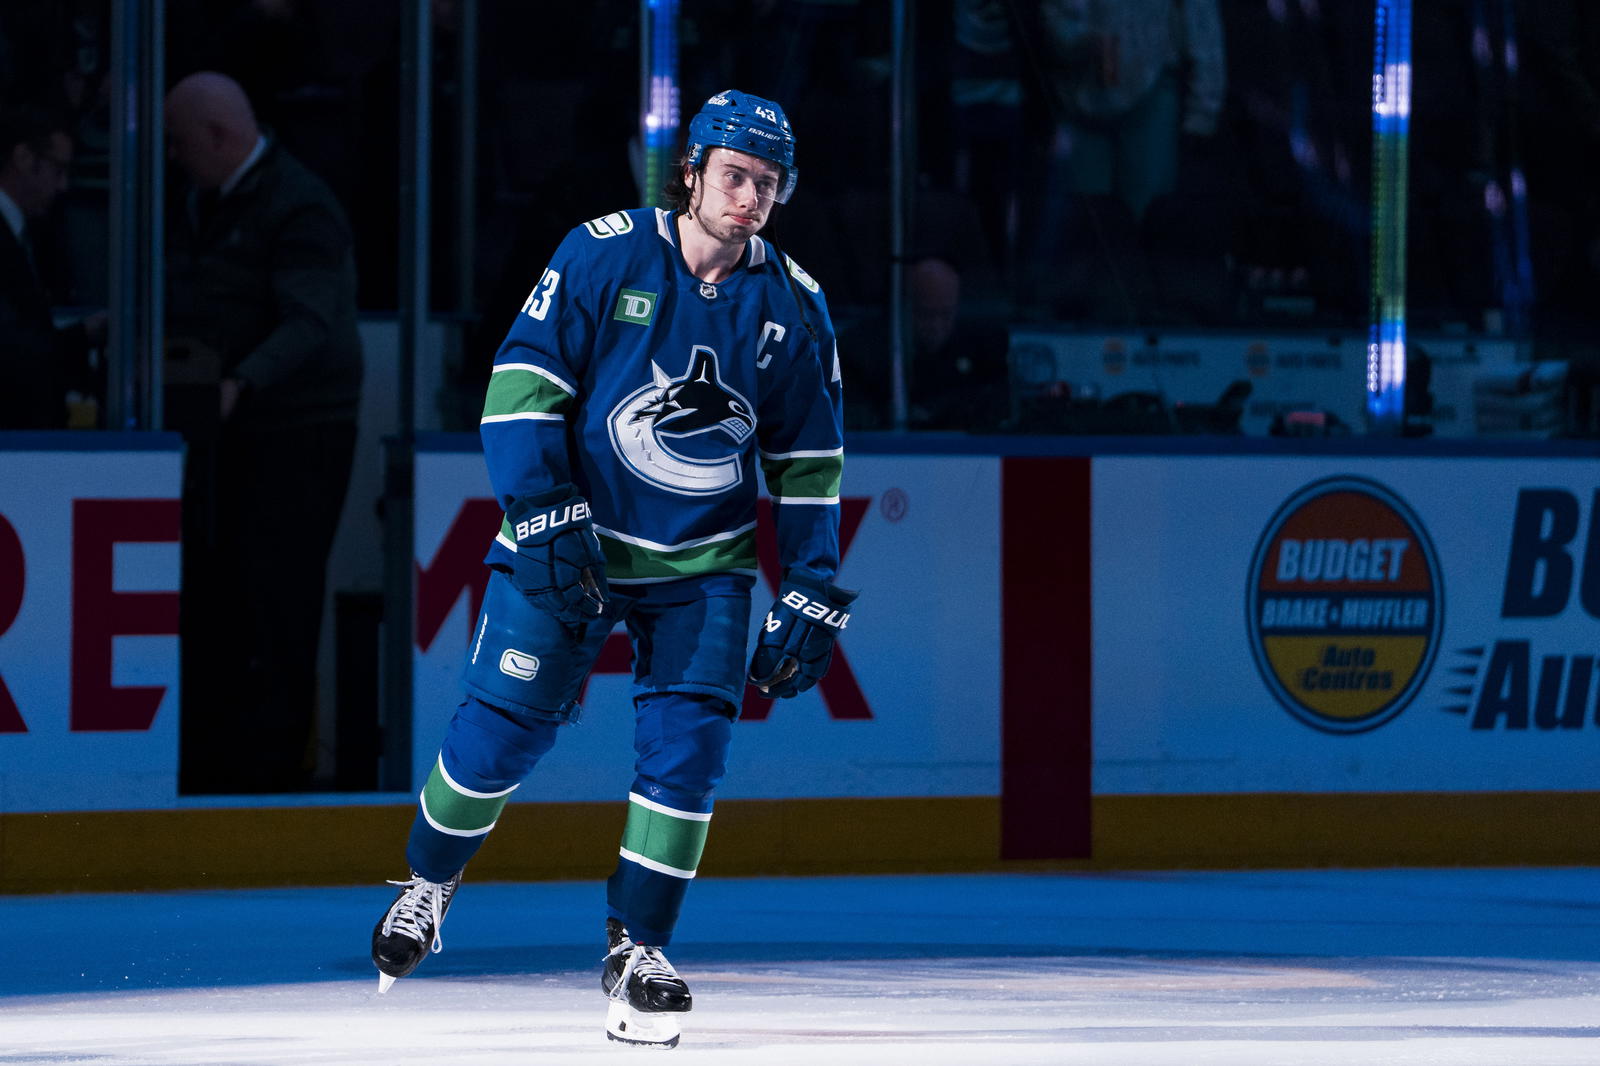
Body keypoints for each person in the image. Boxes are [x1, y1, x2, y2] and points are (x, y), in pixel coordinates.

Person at [368, 90, 857, 1049]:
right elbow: (521, 387)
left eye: (767, 184)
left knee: (689, 755)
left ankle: (640, 951)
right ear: (693, 172)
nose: (749, 198)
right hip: (574, 540)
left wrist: (810, 574)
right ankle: (427, 884)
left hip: (703, 565)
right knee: (497, 738)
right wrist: (542, 511)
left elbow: (808, 459)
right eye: (734, 176)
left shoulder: (795, 304)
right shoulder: (601, 251)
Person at [163, 71, 363, 791]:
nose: (174, 157)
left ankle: (271, 770)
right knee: (225, 598)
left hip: (298, 434)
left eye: (181, 143)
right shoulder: (209, 198)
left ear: (217, 137)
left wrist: (238, 381)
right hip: (237, 432)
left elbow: (310, 322)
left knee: (276, 601)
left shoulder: (298, 204)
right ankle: (224, 763)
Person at [0, 104, 105, 429]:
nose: (63, 186)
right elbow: (11, 349)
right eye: (58, 170)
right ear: (23, 159)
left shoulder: (25, 235)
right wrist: (82, 336)